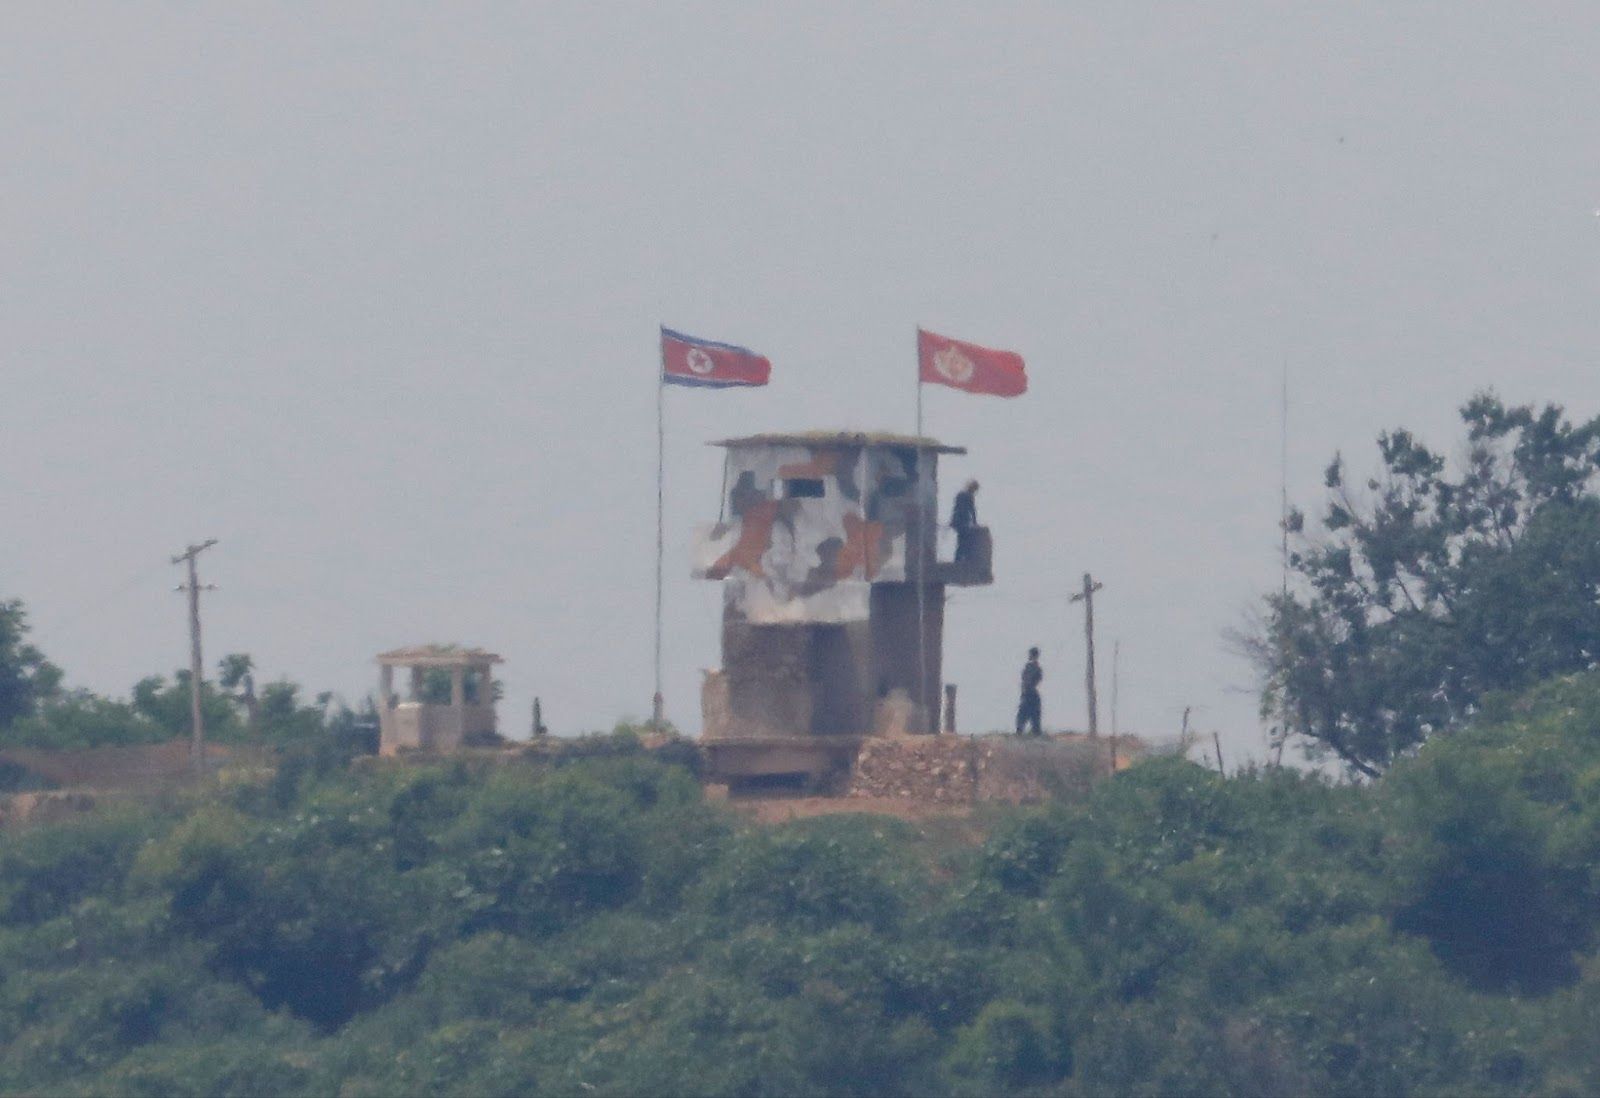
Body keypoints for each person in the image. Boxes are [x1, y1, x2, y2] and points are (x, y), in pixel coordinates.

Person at [951, 479, 980, 563]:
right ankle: (963, 558)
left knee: (961, 540)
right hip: (963, 521)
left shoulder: (960, 495)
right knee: (965, 540)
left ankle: (959, 558)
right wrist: (975, 523)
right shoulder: (968, 496)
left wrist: (953, 521)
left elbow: (955, 509)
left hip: (958, 521)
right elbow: (972, 510)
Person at [1016, 647, 1043, 735]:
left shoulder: (1031, 667)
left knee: (1024, 716)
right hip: (1030, 694)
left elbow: (1027, 680)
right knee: (1032, 717)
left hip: (1029, 695)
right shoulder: (1035, 667)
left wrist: (1025, 690)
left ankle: (1023, 734)